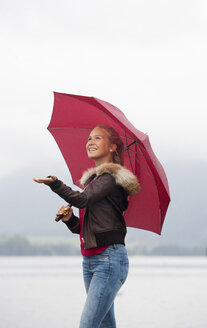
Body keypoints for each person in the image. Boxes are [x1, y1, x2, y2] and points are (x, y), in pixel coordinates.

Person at [33, 125, 140, 328]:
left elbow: (82, 200)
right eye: (89, 138)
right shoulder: (94, 182)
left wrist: (56, 184)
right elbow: (83, 229)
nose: (90, 142)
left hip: (108, 260)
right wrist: (70, 220)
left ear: (112, 147)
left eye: (97, 138)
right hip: (91, 260)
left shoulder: (110, 178)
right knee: (104, 325)